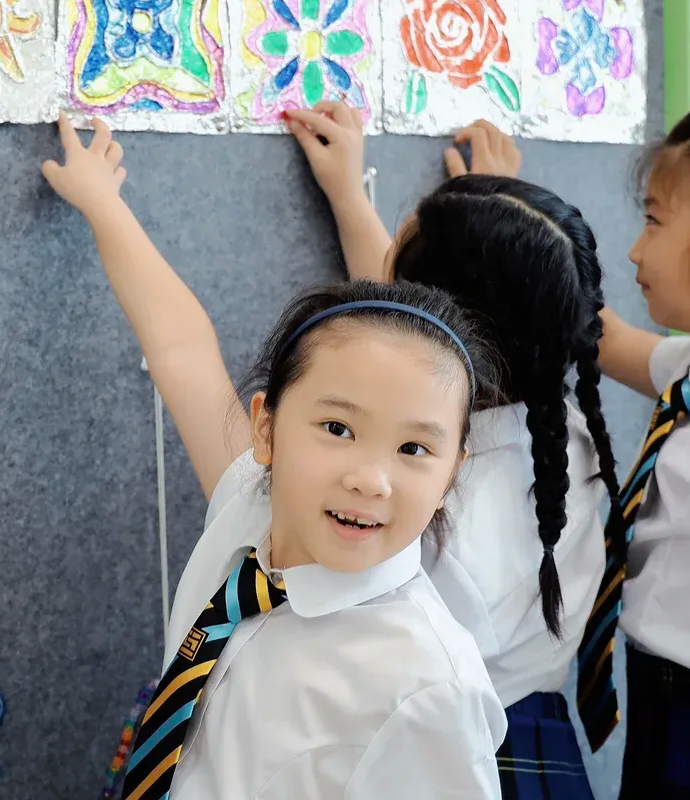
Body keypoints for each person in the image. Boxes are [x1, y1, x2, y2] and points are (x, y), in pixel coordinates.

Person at [42, 114, 507, 799]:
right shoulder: (250, 502)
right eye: (337, 429)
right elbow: (182, 353)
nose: (369, 479)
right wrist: (103, 204)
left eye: (414, 448)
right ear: (267, 430)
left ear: (451, 474)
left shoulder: (427, 686)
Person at [286, 102, 620, 799]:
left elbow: (401, 344)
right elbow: (410, 339)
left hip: (449, 758)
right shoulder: (561, 426)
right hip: (536, 738)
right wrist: (493, 215)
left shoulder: (433, 506)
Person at [576, 112, 690, 798]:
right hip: (655, 687)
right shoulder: (686, 367)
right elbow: (604, 337)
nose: (634, 252)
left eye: (653, 221)